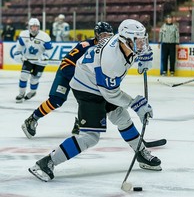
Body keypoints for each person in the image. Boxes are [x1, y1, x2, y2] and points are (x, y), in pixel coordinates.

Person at [28, 19, 161, 182]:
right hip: (87, 87)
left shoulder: (124, 43)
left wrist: (144, 58)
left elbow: (114, 85)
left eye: (143, 40)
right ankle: (46, 163)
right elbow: (111, 94)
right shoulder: (112, 61)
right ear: (125, 40)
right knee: (90, 136)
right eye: (137, 41)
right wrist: (136, 104)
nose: (141, 44)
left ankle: (140, 153)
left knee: (122, 118)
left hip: (99, 81)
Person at [22, 22, 114, 139]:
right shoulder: (85, 45)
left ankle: (81, 122)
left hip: (86, 78)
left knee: (94, 99)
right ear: (96, 35)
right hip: (67, 73)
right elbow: (66, 63)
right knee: (56, 100)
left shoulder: (111, 50)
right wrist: (79, 78)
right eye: (103, 35)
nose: (106, 38)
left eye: (109, 35)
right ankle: (32, 118)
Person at [13, 18, 53, 103]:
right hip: (28, 59)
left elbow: (49, 49)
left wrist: (45, 55)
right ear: (29, 27)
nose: (34, 29)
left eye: (36, 27)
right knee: (23, 76)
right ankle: (21, 94)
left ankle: (32, 92)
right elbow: (19, 47)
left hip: (41, 61)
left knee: (34, 79)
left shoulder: (45, 36)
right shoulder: (23, 35)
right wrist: (18, 54)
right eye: (33, 27)